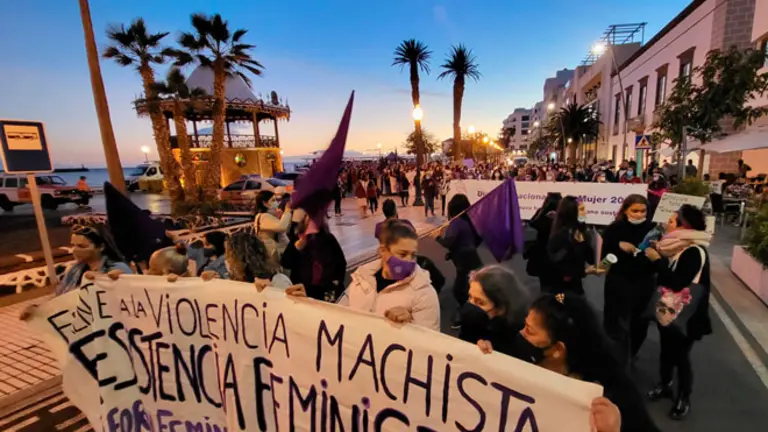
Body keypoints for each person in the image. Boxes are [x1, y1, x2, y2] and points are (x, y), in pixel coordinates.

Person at [496, 293, 659, 432]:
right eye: (525, 325)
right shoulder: (520, 355)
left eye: (530, 331)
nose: (521, 333)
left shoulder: (614, 396)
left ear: (558, 349)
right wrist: (484, 356)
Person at [287, 220, 440, 330]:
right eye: (402, 254)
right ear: (383, 250)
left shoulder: (423, 292)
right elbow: (337, 315)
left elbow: (428, 347)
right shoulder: (361, 280)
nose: (410, 261)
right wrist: (309, 301)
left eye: (413, 255)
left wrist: (410, 324)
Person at [644, 205, 712, 420]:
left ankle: (684, 397)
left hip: (687, 315)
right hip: (669, 312)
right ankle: (665, 384)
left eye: (672, 221)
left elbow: (677, 282)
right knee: (666, 351)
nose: (666, 224)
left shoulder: (693, 251)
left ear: (684, 226)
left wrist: (657, 261)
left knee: (681, 357)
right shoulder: (677, 247)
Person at [19, 225, 133, 320]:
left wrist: (114, 281)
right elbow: (60, 297)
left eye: (82, 246)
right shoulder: (75, 270)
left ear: (101, 247)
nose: (75, 250)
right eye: (73, 245)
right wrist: (38, 309)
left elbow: (132, 299)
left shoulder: (117, 268)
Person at [601, 195, 656, 364]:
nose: (639, 214)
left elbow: (655, 261)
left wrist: (638, 253)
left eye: (643, 211)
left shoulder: (653, 230)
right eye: (635, 211)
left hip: (644, 283)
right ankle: (613, 356)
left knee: (639, 324)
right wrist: (617, 248)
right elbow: (605, 259)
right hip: (619, 282)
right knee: (615, 322)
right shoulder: (614, 229)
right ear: (625, 210)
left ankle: (631, 354)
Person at [458, 265, 531, 356]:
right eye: (470, 297)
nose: (471, 305)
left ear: (502, 308)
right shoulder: (472, 323)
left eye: (480, 302)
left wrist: (495, 351)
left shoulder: (521, 336)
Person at [281, 209, 347, 301]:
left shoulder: (328, 239)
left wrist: (336, 282)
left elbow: (340, 263)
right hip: (303, 290)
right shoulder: (298, 239)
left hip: (326, 291)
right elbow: (285, 263)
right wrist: (296, 248)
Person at [436, 194, 483, 321]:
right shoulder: (470, 221)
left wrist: (437, 237)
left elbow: (449, 241)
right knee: (469, 283)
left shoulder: (456, 223)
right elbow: (478, 238)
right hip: (472, 255)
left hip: (463, 259)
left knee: (459, 289)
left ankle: (467, 311)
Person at [202, 231, 292, 290]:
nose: (225, 259)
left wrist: (271, 292)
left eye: (228, 254)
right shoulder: (231, 283)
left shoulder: (278, 282)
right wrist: (212, 284)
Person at [547, 196, 599, 294]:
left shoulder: (583, 232)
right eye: (582, 210)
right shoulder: (561, 235)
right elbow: (558, 265)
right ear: (572, 212)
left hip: (576, 286)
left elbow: (590, 258)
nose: (585, 213)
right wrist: (584, 271)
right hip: (561, 289)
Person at [526, 192, 562, 291]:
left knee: (545, 282)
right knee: (556, 284)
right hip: (556, 253)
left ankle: (546, 300)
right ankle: (558, 301)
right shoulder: (561, 216)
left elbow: (533, 224)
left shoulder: (541, 213)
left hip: (541, 252)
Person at [253, 190, 291, 262]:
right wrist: (287, 212)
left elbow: (285, 229)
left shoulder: (269, 216)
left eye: (276, 200)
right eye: (273, 200)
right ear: (264, 203)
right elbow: (281, 227)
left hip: (280, 252)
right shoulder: (263, 216)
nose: (276, 203)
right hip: (274, 254)